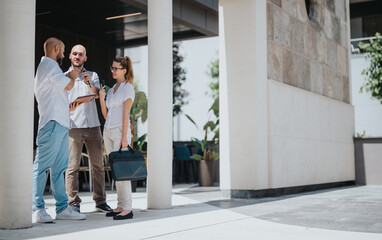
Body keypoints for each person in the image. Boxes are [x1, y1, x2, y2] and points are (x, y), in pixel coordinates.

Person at [33, 37, 86, 223]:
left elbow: (63, 87)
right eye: (64, 50)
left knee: (59, 169)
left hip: (61, 124)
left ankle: (62, 209)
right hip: (52, 124)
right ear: (56, 49)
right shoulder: (49, 66)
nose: (65, 54)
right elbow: (69, 84)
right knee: (41, 167)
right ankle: (37, 208)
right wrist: (76, 71)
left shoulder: (51, 68)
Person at [65, 44, 112, 213]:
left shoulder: (93, 75)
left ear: (85, 58)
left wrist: (89, 82)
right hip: (74, 127)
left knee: (98, 166)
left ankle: (100, 201)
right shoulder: (64, 77)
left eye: (81, 54)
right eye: (75, 54)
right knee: (72, 167)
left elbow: (97, 94)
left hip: (93, 126)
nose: (77, 56)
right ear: (70, 56)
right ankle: (73, 203)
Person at [99, 56, 135, 220]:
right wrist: (101, 98)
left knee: (123, 172)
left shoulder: (128, 88)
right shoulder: (113, 89)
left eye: (116, 68)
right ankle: (120, 205)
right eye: (112, 68)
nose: (112, 71)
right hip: (108, 130)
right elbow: (106, 115)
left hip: (121, 131)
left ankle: (127, 208)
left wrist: (124, 137)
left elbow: (126, 114)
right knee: (116, 171)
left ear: (124, 70)